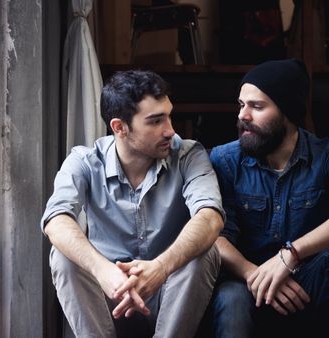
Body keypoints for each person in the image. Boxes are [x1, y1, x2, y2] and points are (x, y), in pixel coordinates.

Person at [41, 70, 224, 337]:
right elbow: (55, 219)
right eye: (155, 121)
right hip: (109, 299)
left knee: (206, 251)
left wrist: (160, 269)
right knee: (63, 256)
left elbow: (210, 217)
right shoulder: (85, 161)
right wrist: (104, 271)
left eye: (169, 116)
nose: (170, 131)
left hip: (170, 298)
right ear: (119, 127)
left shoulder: (188, 154)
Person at [208, 58, 329, 338]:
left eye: (257, 106)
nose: (243, 116)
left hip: (308, 282)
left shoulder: (327, 154)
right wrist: (255, 274)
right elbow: (210, 234)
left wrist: (290, 254)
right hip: (247, 282)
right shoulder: (224, 160)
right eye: (242, 105)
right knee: (231, 299)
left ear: (287, 112)